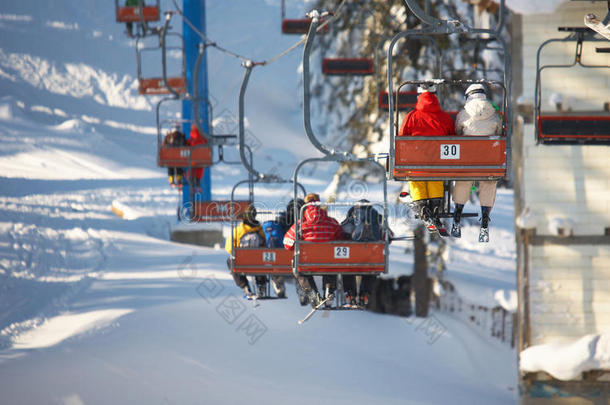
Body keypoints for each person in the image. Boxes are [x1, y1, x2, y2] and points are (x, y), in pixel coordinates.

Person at [398, 83, 455, 232]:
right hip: (438, 164)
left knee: (417, 180)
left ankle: (423, 208)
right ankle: (435, 210)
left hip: (415, 164)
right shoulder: (444, 117)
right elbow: (452, 138)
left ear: (419, 97)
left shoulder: (411, 117)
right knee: (435, 178)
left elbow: (402, 138)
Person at [452, 83, 503, 242]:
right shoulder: (495, 115)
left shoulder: (463, 114)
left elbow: (457, 132)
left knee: (463, 182)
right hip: (488, 162)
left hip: (467, 161)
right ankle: (485, 218)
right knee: (488, 183)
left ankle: (457, 215)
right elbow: (499, 134)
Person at [283, 193, 344, 307]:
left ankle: (313, 296)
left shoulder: (300, 224)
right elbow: (340, 238)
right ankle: (329, 290)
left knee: (299, 270)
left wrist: (297, 243)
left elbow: (287, 243)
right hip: (328, 262)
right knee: (331, 266)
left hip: (308, 263)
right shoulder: (332, 222)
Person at [340, 200, 391, 306]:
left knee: (347, 269)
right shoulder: (377, 217)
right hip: (372, 255)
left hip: (353, 255)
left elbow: (343, 231)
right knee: (371, 270)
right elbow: (389, 236)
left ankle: (350, 295)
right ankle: (365, 295)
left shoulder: (353, 216)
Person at [225, 204, 268, 299]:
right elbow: (265, 244)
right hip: (258, 262)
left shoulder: (239, 230)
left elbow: (229, 247)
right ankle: (261, 285)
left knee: (231, 261)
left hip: (242, 262)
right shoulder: (260, 230)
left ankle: (244, 286)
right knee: (263, 261)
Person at [162, 123, 186, 187]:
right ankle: (179, 181)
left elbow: (164, 146)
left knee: (171, 169)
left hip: (171, 157)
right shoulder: (181, 136)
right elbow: (185, 145)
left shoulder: (169, 136)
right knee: (178, 169)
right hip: (178, 157)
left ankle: (172, 181)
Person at [186, 125, 207, 193]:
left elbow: (187, 143)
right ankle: (198, 186)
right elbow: (206, 142)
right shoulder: (202, 138)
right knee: (199, 173)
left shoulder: (192, 139)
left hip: (192, 159)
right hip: (201, 158)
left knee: (191, 173)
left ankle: (193, 187)